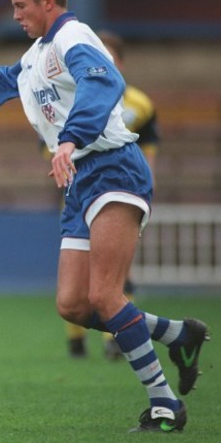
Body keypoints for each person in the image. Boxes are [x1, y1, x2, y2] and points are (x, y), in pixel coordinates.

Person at [0, 0, 209, 433]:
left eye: (20, 7)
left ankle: (165, 405)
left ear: (48, 1)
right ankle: (180, 335)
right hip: (82, 179)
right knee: (74, 305)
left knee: (105, 294)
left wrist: (69, 140)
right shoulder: (37, 53)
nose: (15, 16)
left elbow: (102, 84)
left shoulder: (75, 36)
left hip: (114, 168)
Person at [63, 30, 162, 360]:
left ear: (119, 61)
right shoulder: (74, 96)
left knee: (115, 273)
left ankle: (113, 340)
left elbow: (148, 146)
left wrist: (147, 181)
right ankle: (76, 337)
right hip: (79, 188)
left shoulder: (139, 104)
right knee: (78, 280)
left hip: (121, 186)